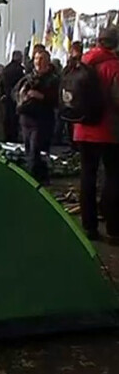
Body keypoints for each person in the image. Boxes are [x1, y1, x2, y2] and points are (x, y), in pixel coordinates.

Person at [74, 28, 119, 242]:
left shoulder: (83, 63)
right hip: (108, 131)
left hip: (82, 128)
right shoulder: (114, 66)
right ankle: (113, 228)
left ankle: (89, 227)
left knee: (87, 177)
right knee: (112, 178)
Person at [15, 49, 59, 184]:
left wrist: (42, 96)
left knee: (37, 150)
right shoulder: (27, 78)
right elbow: (14, 92)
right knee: (29, 150)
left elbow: (58, 100)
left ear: (47, 61)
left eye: (41, 59)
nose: (38, 62)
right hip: (26, 118)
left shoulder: (53, 79)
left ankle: (37, 180)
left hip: (42, 120)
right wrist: (23, 96)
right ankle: (36, 179)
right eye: (36, 59)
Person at [0, 50, 26, 142]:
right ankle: (13, 136)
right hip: (15, 96)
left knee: (8, 117)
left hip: (6, 95)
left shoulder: (6, 69)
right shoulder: (18, 70)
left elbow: (1, 83)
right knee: (14, 117)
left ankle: (8, 135)